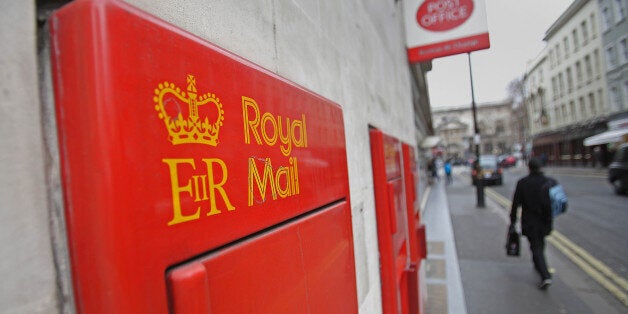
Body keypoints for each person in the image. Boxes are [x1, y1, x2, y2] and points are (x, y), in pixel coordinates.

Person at [509, 158, 554, 290]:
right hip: (545, 220)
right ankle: (538, 265)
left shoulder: (523, 183)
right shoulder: (548, 182)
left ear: (529, 168)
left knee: (535, 247)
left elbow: (515, 205)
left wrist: (512, 221)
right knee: (540, 244)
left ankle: (545, 275)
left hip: (530, 221)